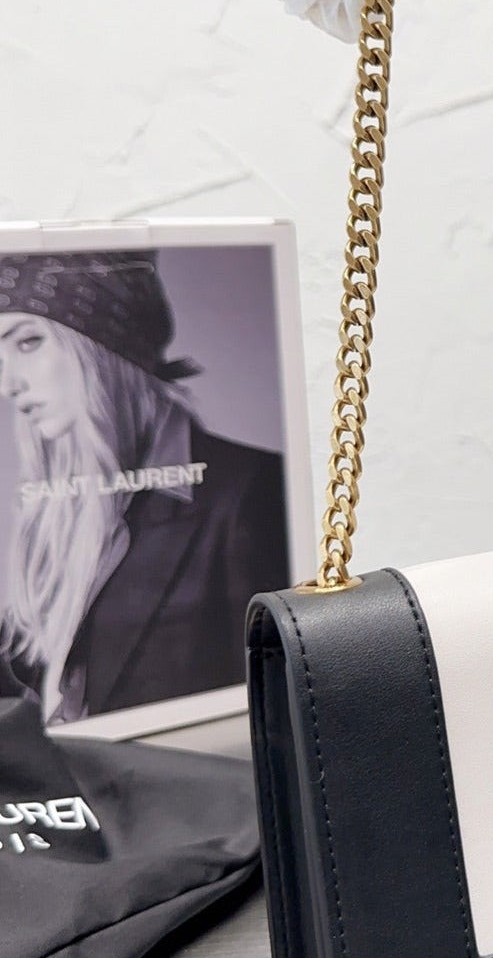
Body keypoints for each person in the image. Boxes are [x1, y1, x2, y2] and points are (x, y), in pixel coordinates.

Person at [0, 249, 290, 722]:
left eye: (29, 342)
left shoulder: (250, 494)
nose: (7, 384)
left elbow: (273, 709)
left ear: (101, 347)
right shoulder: (54, 514)